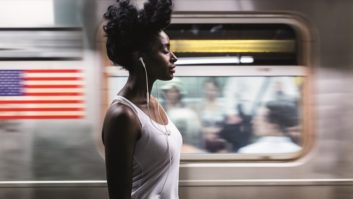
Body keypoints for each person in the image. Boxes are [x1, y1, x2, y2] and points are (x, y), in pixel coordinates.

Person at [101, 0, 182, 198]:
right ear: (141, 58)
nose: (173, 57)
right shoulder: (122, 116)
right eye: (164, 50)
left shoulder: (154, 105)